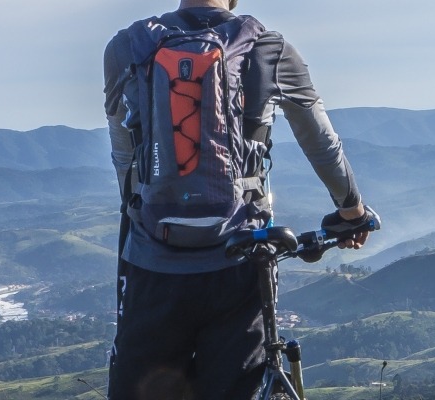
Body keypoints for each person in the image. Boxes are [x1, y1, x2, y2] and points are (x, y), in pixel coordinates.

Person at [102, 0, 373, 398]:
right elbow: (321, 143)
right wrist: (352, 211)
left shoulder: (127, 46)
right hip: (241, 262)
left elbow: (123, 151)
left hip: (152, 265)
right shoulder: (268, 47)